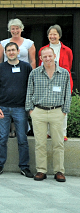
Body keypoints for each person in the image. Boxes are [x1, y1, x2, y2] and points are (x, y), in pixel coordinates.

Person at [26, 46, 72, 182]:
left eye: (50, 56)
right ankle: (41, 170)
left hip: (57, 111)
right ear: (41, 58)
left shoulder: (64, 73)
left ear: (54, 56)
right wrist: (31, 110)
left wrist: (64, 111)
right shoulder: (34, 73)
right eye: (44, 57)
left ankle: (59, 171)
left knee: (58, 143)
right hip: (38, 111)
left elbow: (67, 94)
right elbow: (29, 92)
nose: (47, 59)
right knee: (40, 143)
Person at [0, 41, 33, 177]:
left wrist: (29, 107)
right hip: (3, 108)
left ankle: (24, 167)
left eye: (13, 50)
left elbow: (31, 88)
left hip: (20, 109)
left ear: (18, 51)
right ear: (5, 53)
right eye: (8, 50)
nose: (11, 52)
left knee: (22, 138)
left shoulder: (26, 67)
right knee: (2, 138)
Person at [38, 24, 73, 140]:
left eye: (55, 34)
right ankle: (48, 132)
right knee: (47, 106)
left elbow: (69, 66)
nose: (52, 36)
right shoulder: (42, 50)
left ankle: (63, 132)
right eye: (50, 34)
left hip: (61, 82)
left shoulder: (67, 50)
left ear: (59, 35)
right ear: (48, 36)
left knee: (62, 107)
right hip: (46, 82)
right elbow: (40, 67)